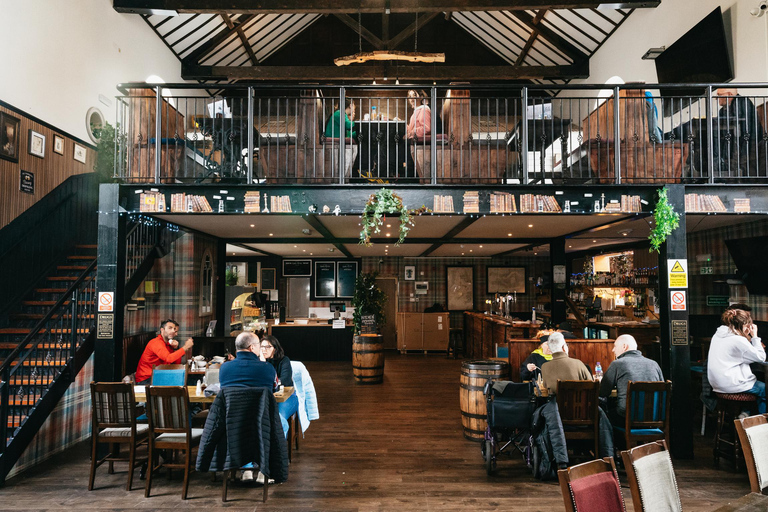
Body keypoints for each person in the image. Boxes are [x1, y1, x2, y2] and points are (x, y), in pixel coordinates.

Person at [219, 331, 277, 483]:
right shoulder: (267, 369)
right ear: (252, 348)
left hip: (231, 424)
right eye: (259, 346)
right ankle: (264, 471)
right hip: (261, 422)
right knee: (275, 425)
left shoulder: (224, 369)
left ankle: (245, 469)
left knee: (242, 428)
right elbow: (273, 391)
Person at [707, 308, 766, 414]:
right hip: (732, 384)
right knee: (765, 390)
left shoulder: (718, 335)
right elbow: (761, 357)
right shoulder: (738, 340)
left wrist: (746, 336)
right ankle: (761, 425)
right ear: (743, 325)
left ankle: (746, 413)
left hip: (717, 384)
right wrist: (755, 336)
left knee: (755, 384)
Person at [599, 334, 664, 427]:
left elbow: (603, 392)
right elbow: (661, 390)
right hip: (653, 417)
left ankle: (612, 442)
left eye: (615, 346)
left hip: (626, 418)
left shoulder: (617, 364)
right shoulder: (654, 364)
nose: (613, 350)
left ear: (624, 347)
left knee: (603, 415)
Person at [715, 88, 764, 173]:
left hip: (746, 148)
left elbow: (748, 130)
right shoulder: (722, 111)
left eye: (719, 95)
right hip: (734, 149)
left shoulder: (743, 103)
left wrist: (744, 153)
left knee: (747, 172)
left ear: (730, 95)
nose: (716, 98)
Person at [260, 335, 299, 440]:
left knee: (279, 419)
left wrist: (272, 383)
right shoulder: (260, 362)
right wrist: (262, 363)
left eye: (268, 347)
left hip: (287, 397)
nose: (264, 350)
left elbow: (285, 380)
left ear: (275, 349)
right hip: (267, 399)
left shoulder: (284, 360)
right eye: (262, 347)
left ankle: (278, 453)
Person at [134, 319, 194, 385]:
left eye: (174, 329)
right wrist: (185, 347)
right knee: (187, 382)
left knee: (190, 379)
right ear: (162, 330)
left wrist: (175, 349)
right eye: (170, 328)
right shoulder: (156, 342)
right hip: (146, 379)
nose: (173, 331)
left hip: (159, 375)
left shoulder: (167, 344)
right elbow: (168, 358)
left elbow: (175, 364)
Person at [324, 98, 358, 177]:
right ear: (350, 105)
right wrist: (359, 123)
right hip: (332, 139)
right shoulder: (339, 113)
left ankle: (350, 173)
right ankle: (348, 174)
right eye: (353, 106)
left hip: (338, 139)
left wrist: (360, 131)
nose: (354, 108)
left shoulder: (342, 114)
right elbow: (348, 125)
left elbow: (349, 134)